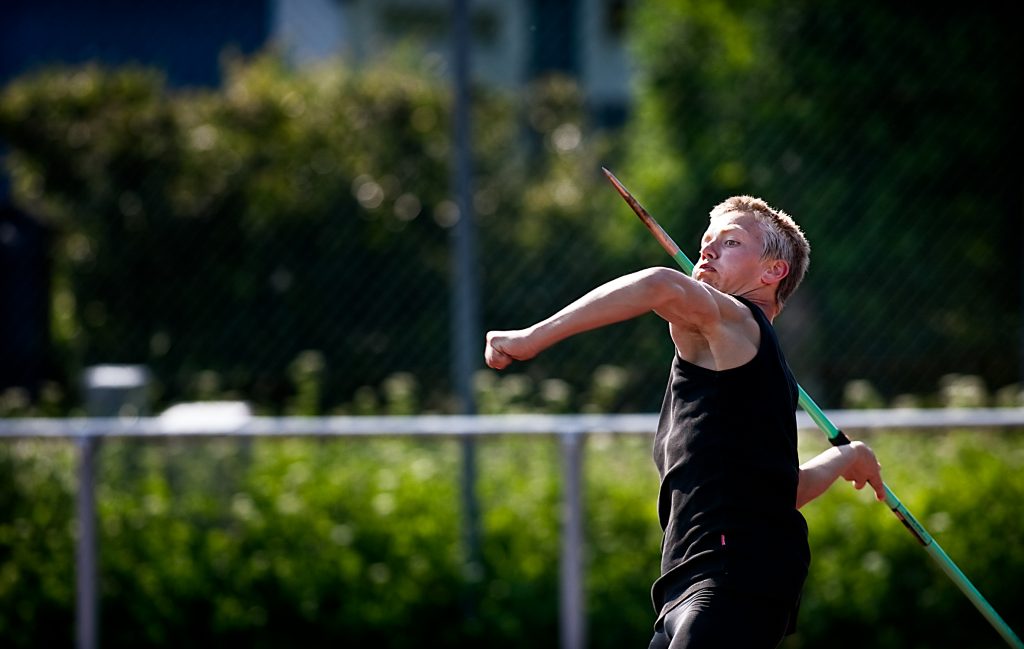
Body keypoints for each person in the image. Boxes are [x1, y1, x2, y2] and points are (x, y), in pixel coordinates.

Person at [483, 195, 886, 648]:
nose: (707, 251)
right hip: (688, 586)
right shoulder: (741, 365)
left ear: (773, 271)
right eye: (705, 243)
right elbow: (777, 494)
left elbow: (660, 284)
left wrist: (531, 337)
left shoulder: (741, 324)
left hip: (732, 581)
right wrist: (844, 457)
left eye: (730, 243)